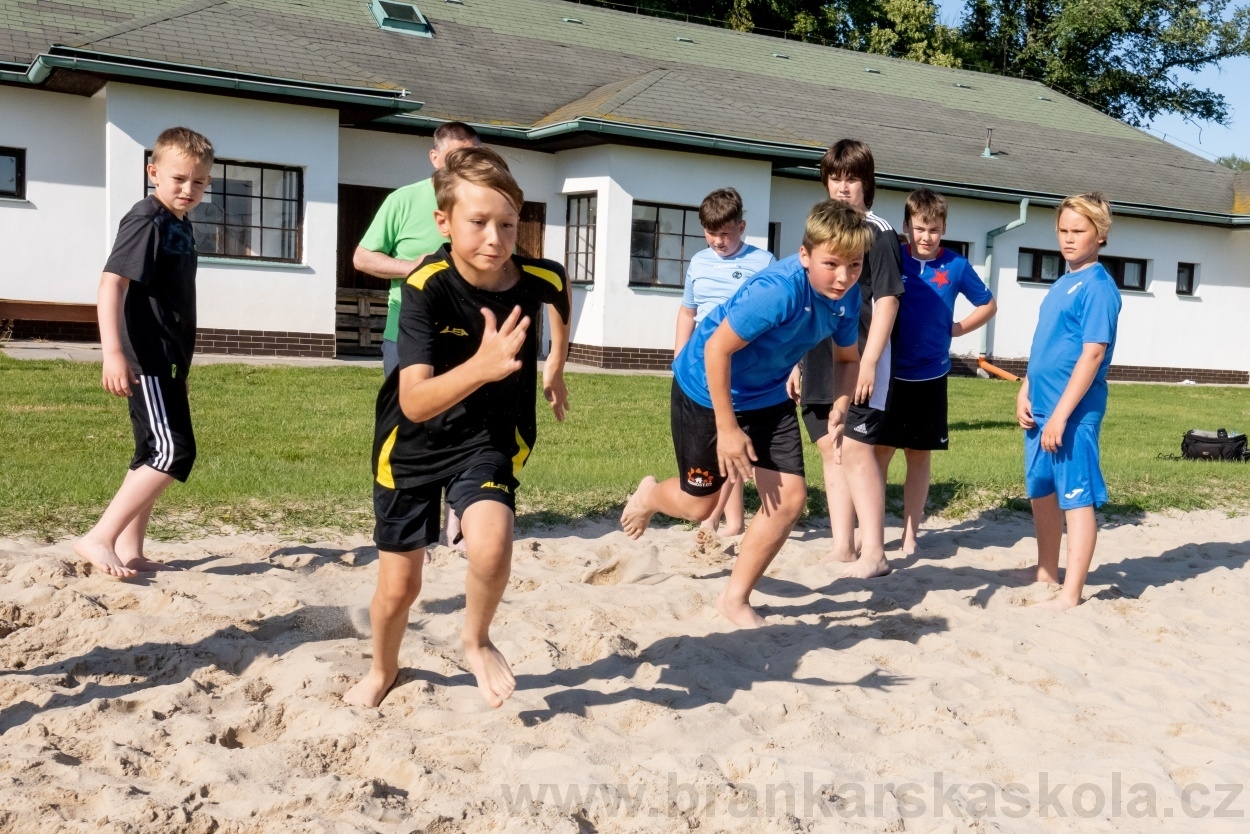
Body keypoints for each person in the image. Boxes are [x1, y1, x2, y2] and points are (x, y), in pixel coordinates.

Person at [344, 147, 571, 708]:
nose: (494, 238)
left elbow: (562, 297)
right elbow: (415, 401)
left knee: (492, 544)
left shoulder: (538, 276)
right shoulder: (427, 284)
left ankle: (476, 639)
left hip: (487, 438)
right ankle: (383, 668)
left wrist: (556, 366)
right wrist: (482, 366)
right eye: (478, 223)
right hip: (412, 445)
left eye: (508, 224)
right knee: (400, 589)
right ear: (443, 223)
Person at [621, 199, 870, 628]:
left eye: (855, 264)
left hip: (767, 394)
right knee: (699, 506)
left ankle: (735, 598)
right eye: (832, 264)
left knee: (789, 499)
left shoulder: (846, 297)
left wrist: (842, 403)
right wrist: (728, 427)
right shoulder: (778, 290)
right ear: (806, 255)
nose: (844, 276)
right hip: (705, 386)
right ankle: (648, 496)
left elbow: (848, 359)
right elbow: (717, 348)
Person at [73, 127, 214, 578]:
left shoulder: (178, 224)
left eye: (199, 182)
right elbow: (110, 284)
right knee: (172, 454)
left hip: (167, 361)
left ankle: (131, 548)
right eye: (178, 179)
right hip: (143, 358)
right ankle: (100, 537)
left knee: (151, 452)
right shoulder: (147, 219)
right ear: (153, 173)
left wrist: (181, 368)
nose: (188, 189)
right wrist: (112, 353)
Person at [354, 121, 481, 549]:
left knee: (462, 426)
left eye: (472, 157)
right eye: (456, 157)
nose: (464, 166)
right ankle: (414, 527)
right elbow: (363, 258)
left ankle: (457, 521)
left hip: (466, 336)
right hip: (407, 333)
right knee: (414, 426)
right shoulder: (403, 199)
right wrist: (416, 267)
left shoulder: (480, 203)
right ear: (434, 158)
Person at [793, 139, 902, 579]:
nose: (842, 187)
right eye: (835, 177)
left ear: (867, 182)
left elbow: (889, 300)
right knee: (830, 450)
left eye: (852, 178)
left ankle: (874, 551)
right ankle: (843, 545)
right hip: (819, 356)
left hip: (860, 358)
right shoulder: (820, 232)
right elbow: (805, 299)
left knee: (857, 452)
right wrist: (795, 363)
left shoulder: (879, 232)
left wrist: (870, 362)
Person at [1015, 192, 1121, 611]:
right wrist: (1025, 387)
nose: (1069, 238)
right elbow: (1045, 345)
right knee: (1042, 490)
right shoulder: (1062, 283)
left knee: (1075, 499)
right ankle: (1046, 569)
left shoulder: (1099, 287)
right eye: (1063, 230)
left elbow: (1092, 353)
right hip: (1040, 407)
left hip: (1072, 415)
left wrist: (1061, 415)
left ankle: (1072, 592)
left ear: (1100, 235)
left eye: (1079, 231)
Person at [877, 189, 997, 555]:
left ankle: (910, 533)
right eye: (918, 228)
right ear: (905, 227)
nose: (926, 237)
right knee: (880, 453)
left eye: (934, 229)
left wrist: (958, 328)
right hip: (891, 373)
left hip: (930, 375)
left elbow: (988, 304)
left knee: (918, 454)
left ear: (944, 228)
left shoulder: (956, 265)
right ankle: (873, 530)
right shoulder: (894, 258)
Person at [674, 187, 775, 537]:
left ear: (742, 226)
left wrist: (789, 365)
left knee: (735, 436)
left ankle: (715, 517)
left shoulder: (763, 262)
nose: (718, 240)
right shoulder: (699, 262)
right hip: (701, 361)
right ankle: (730, 520)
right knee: (717, 439)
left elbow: (778, 320)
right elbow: (687, 311)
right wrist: (678, 356)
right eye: (711, 232)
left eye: (726, 233)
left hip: (745, 360)